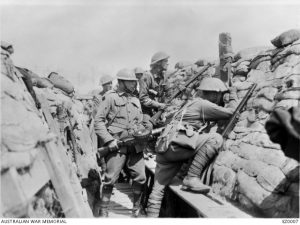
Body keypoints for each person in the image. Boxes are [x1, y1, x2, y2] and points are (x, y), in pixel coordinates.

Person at [146, 77, 238, 217]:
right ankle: (192, 178)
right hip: (179, 146)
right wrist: (233, 94)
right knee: (215, 139)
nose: (220, 97)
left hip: (165, 148)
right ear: (214, 94)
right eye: (220, 94)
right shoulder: (204, 105)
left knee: (157, 191)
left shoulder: (190, 103)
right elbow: (231, 112)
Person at [94, 68, 152, 217]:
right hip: (117, 144)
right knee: (110, 178)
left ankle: (136, 209)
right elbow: (98, 121)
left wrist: (145, 129)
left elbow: (138, 122)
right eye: (131, 82)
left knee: (140, 177)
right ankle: (104, 209)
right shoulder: (110, 98)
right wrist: (109, 140)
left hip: (135, 145)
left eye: (135, 82)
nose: (135, 85)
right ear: (121, 82)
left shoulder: (135, 100)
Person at [139, 51, 170, 117]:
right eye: (166, 61)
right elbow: (143, 99)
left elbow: (169, 93)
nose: (168, 63)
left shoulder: (164, 76)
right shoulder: (147, 76)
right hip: (146, 110)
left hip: (159, 110)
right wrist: (159, 105)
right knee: (149, 126)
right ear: (159, 63)